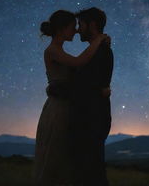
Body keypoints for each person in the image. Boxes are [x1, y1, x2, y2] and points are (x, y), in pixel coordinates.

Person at [34, 10, 110, 186]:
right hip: (58, 109)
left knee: (65, 158)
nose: (76, 31)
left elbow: (79, 76)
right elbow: (79, 63)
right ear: (61, 29)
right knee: (56, 156)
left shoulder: (60, 51)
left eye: (78, 27)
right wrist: (98, 40)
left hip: (66, 107)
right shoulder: (53, 50)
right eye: (72, 27)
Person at [71, 7, 114, 186]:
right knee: (89, 172)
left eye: (81, 24)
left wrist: (56, 88)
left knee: (92, 174)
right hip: (91, 118)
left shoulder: (101, 52)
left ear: (92, 25)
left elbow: (87, 86)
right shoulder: (97, 50)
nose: (78, 29)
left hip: (92, 120)